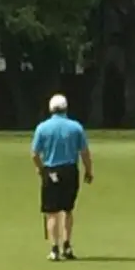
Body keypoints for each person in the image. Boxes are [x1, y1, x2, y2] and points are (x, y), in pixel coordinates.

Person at [31, 94, 93, 261]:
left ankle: (54, 249)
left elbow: (35, 154)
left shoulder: (42, 128)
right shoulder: (76, 127)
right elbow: (84, 152)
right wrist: (89, 170)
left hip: (51, 170)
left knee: (51, 212)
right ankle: (67, 245)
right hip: (70, 170)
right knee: (67, 210)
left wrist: (40, 169)